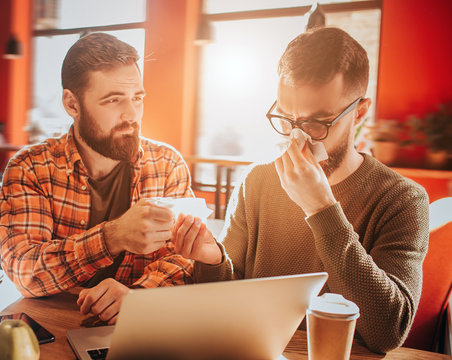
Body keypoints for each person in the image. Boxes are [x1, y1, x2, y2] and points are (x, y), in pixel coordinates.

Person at [171, 27, 429, 354]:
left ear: (360, 112)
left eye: (317, 123)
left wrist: (322, 209)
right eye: (287, 119)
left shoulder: (402, 199)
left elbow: (389, 331)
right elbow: (225, 297)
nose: (298, 138)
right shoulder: (258, 181)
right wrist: (211, 258)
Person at [0, 33, 193, 324]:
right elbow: (25, 272)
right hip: (56, 325)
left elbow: (185, 257)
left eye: (137, 98)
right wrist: (113, 237)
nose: (131, 114)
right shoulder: (30, 168)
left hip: (141, 328)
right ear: (72, 104)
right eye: (113, 100)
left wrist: (138, 295)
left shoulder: (167, 164)